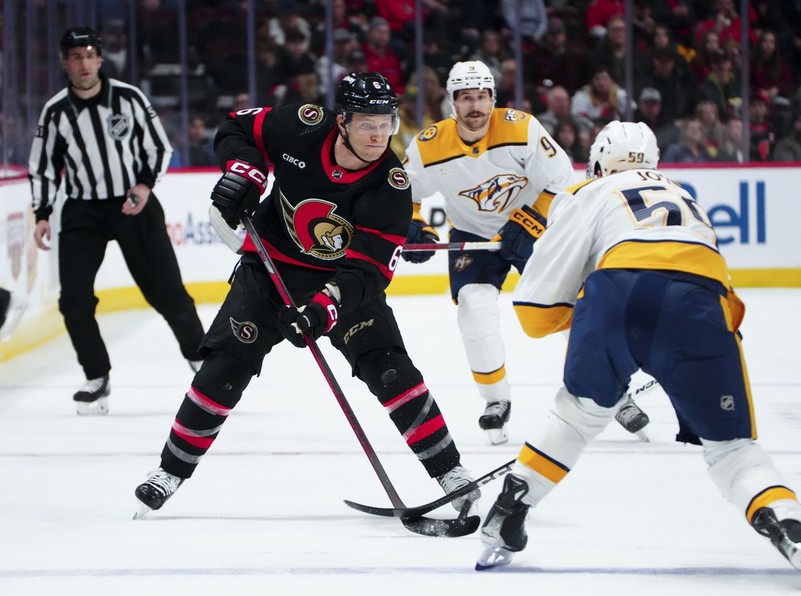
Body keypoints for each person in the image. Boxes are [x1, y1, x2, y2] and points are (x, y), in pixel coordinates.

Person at [475, 121, 801, 588]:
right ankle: (787, 525)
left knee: (577, 415)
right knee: (732, 450)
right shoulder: (685, 196)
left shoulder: (592, 191)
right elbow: (678, 274)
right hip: (701, 305)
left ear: (598, 163)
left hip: (616, 296)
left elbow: (536, 314)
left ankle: (509, 509)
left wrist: (567, 286)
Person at [133, 72, 480, 519]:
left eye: (386, 123)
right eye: (367, 123)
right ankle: (169, 472)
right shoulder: (302, 124)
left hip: (340, 284)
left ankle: (450, 472)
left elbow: (368, 271)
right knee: (225, 365)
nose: (379, 135)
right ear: (342, 121)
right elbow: (238, 126)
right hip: (271, 270)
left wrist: (323, 309)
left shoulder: (390, 185)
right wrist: (246, 171)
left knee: (390, 369)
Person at [400, 61, 650, 445]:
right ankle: (495, 401)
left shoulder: (521, 127)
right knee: (474, 311)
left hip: (534, 227)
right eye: (466, 98)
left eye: (482, 96)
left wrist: (528, 221)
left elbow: (564, 181)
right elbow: (406, 194)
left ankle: (614, 392)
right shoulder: (429, 145)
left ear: (493, 99)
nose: (475, 106)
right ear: (451, 102)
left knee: (568, 308)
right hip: (475, 234)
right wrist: (414, 226)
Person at [28, 27, 205, 416]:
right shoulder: (56, 111)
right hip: (82, 211)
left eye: (89, 54)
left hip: (134, 204)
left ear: (100, 59)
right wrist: (42, 213)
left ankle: (201, 359)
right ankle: (96, 376)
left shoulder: (128, 98)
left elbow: (159, 146)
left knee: (167, 292)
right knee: (73, 299)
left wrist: (143, 187)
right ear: (64, 63)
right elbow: (43, 166)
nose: (83, 63)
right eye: (75, 56)